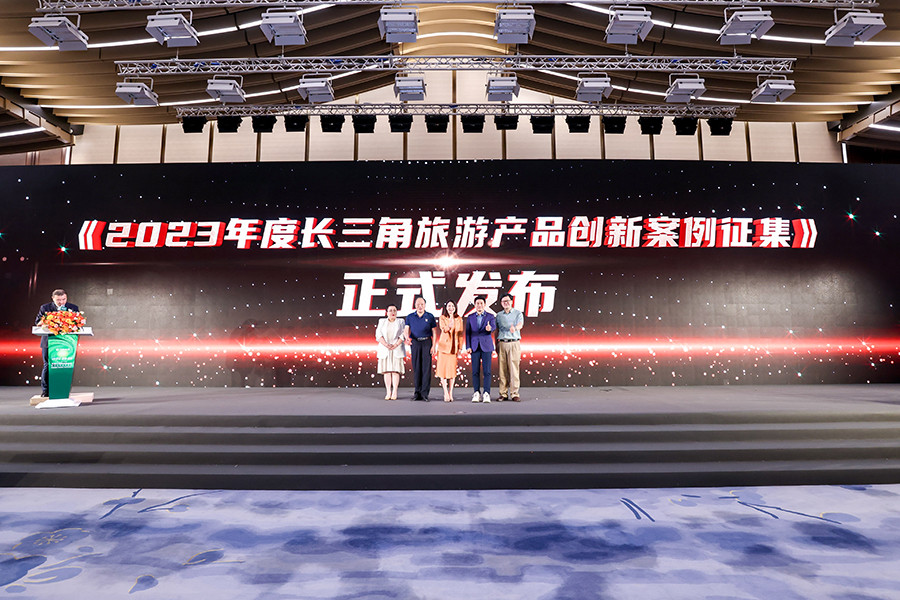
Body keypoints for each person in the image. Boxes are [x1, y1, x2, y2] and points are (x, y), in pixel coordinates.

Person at [35, 289, 79, 398]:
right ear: (53, 299)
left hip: (67, 342)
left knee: (66, 364)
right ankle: (46, 390)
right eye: (58, 300)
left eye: (63, 299)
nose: (61, 302)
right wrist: (51, 319)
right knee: (48, 365)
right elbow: (37, 323)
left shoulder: (73, 308)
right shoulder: (45, 308)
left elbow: (78, 324)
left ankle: (64, 389)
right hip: (49, 342)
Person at [404, 297, 437, 402]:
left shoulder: (430, 316)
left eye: (422, 304)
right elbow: (406, 329)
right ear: (415, 305)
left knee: (426, 369)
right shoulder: (410, 317)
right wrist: (406, 338)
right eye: (418, 304)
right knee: (416, 368)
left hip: (427, 342)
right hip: (415, 343)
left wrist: (433, 345)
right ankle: (417, 393)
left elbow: (434, 332)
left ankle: (424, 394)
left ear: (425, 305)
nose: (420, 306)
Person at [465, 296, 496, 403]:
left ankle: (486, 393)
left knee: (487, 371)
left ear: (485, 305)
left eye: (481, 303)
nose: (479, 305)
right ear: (475, 305)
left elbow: (493, 327)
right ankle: (476, 393)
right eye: (477, 303)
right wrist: (468, 346)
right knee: (475, 371)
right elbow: (467, 333)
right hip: (474, 347)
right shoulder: (470, 317)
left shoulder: (490, 316)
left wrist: (490, 329)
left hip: (486, 346)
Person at [495, 293, 524, 402]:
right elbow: (496, 330)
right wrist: (496, 344)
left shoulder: (518, 313)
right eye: (503, 301)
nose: (506, 303)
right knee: (502, 370)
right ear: (501, 303)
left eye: (507, 301)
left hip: (514, 343)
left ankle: (514, 393)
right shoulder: (499, 315)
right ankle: (503, 393)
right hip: (502, 343)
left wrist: (515, 328)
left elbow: (520, 325)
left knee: (514, 369)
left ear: (511, 301)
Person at [375, 304, 406, 400]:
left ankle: (395, 391)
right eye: (390, 310)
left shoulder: (401, 321)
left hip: (397, 348)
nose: (393, 312)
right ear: (387, 312)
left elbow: (403, 334)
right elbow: (378, 334)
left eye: (394, 310)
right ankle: (388, 392)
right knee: (387, 371)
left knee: (395, 371)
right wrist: (386, 344)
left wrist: (395, 345)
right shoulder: (382, 321)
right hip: (385, 349)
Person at [436, 300, 465, 402]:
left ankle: (450, 392)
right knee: (442, 371)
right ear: (446, 308)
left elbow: (460, 334)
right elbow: (444, 329)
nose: (451, 308)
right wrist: (449, 325)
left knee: (452, 372)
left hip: (453, 348)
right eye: (449, 306)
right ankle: (445, 392)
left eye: (452, 306)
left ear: (455, 307)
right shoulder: (442, 318)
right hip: (443, 348)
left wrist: (460, 347)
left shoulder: (459, 319)